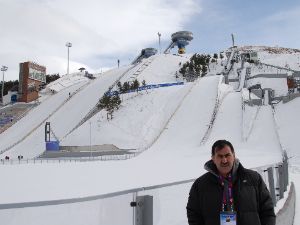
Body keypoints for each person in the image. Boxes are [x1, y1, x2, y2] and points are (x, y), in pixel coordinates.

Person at [186, 140, 275, 225]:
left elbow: (267, 210)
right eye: (220, 156)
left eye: (227, 155)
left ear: (234, 155)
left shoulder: (253, 179)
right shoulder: (200, 185)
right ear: (213, 158)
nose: (224, 160)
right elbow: (193, 214)